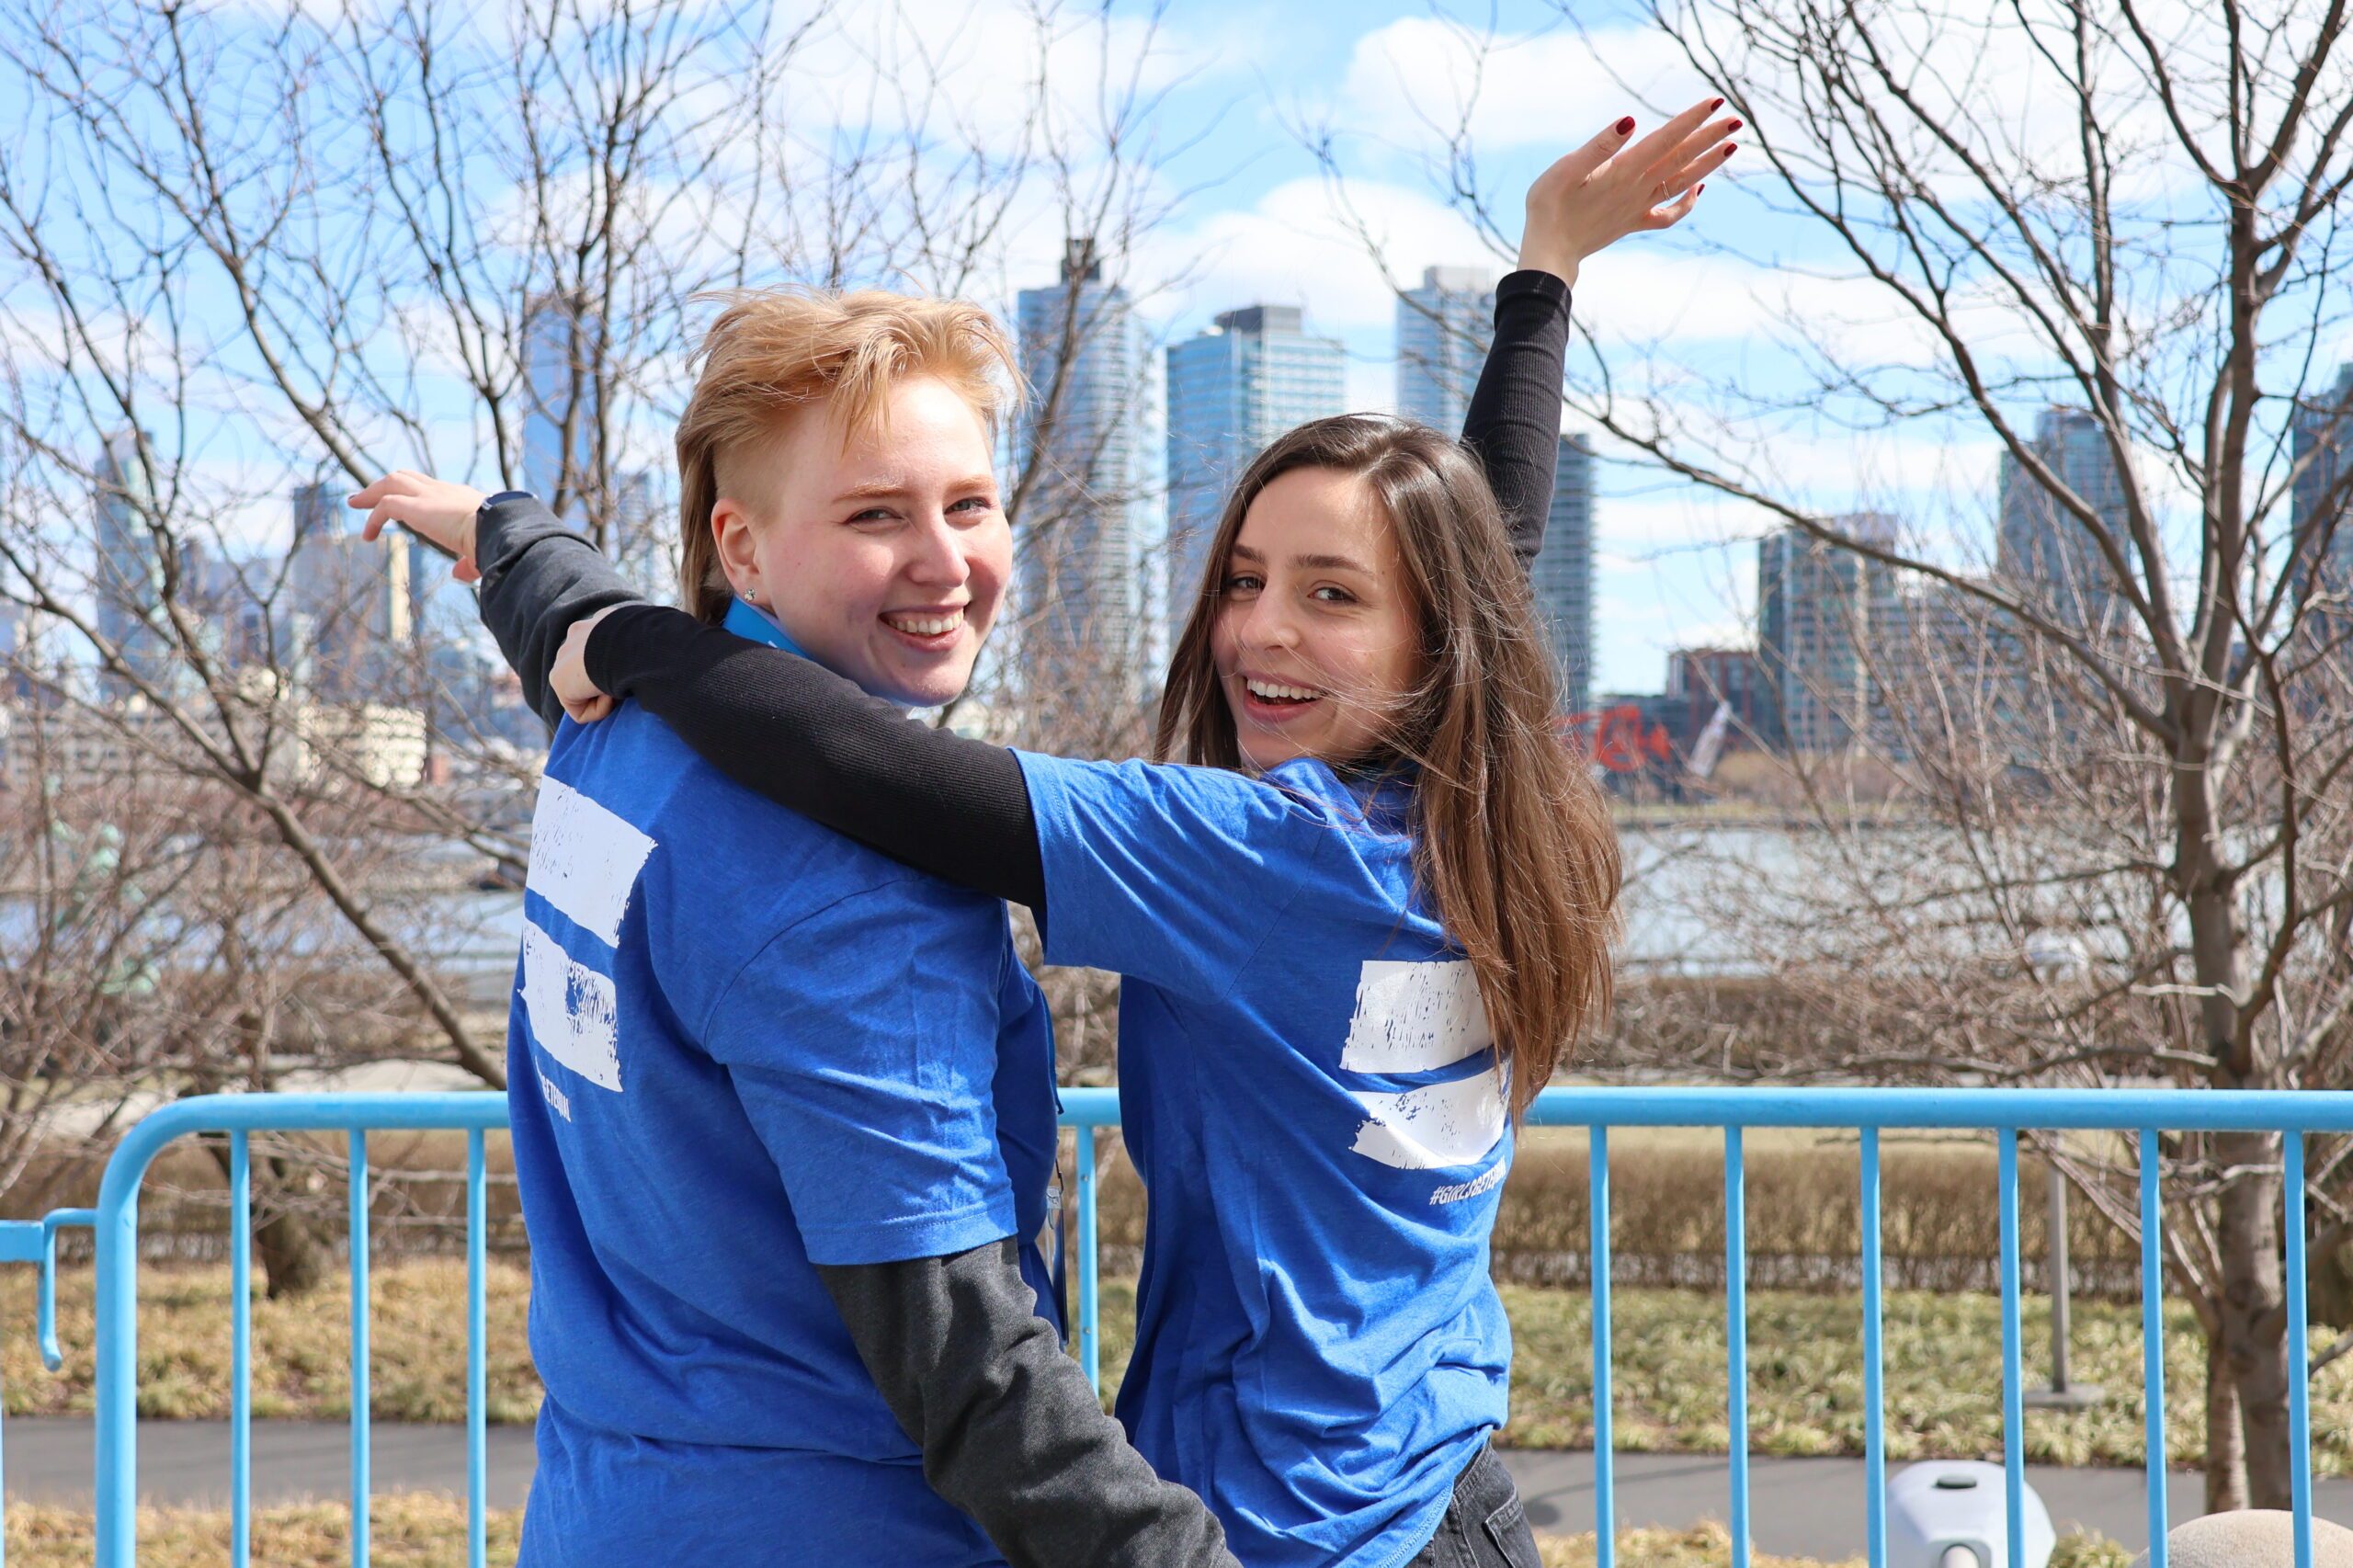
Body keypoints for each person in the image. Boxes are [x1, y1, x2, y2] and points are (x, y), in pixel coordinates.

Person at [374, 102, 1735, 1568]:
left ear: (1429, 646)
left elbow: (859, 767)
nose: (1263, 629)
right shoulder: (1477, 806)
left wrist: (596, 614)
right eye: (1247, 579)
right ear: (743, 543)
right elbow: (1486, 555)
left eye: (970, 502)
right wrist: (1545, 274)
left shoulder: (622, 748)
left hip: (1287, 1526)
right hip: (1427, 1487)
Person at [353, 293, 1239, 1568]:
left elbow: (557, 598)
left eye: (970, 504)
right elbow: (970, 1367)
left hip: (608, 1501)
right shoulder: (858, 886)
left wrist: (502, 533)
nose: (944, 561)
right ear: (745, 550)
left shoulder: (615, 717)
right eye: (876, 514)